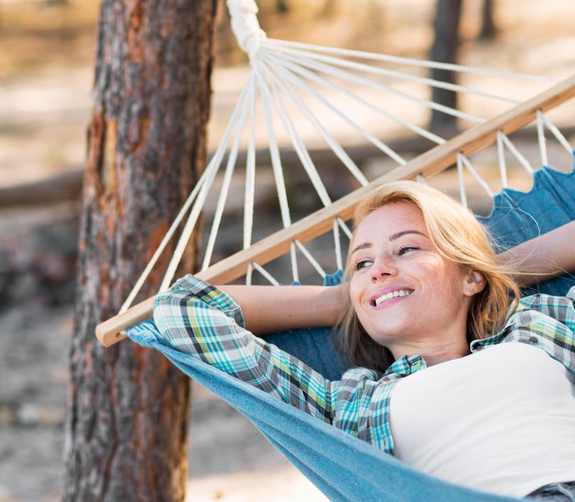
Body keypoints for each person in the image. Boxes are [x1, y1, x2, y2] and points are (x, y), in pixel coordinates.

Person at [153, 181, 575, 500]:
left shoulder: (536, 328)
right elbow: (183, 310)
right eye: (362, 262)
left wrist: (489, 273)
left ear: (470, 275)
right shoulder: (349, 405)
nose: (378, 269)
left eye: (407, 249)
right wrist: (348, 298)